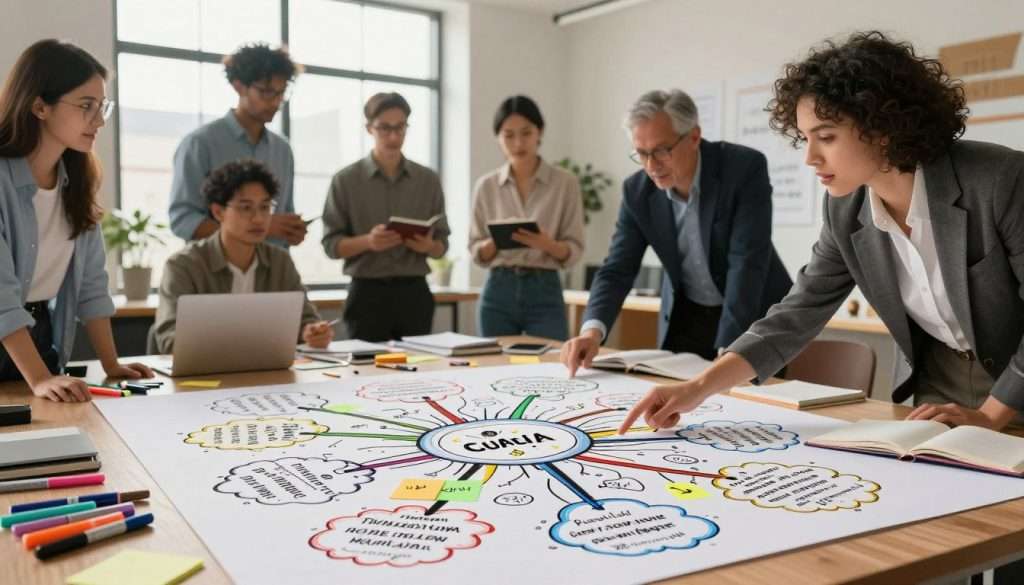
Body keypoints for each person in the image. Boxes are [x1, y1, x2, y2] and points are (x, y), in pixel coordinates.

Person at [620, 31, 1024, 436]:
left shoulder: (1000, 180)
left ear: (883, 127)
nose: (810, 158)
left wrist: (992, 415)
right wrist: (698, 388)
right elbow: (798, 311)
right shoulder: (844, 210)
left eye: (826, 137)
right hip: (939, 388)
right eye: (805, 138)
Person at [561, 89, 792, 370]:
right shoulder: (637, 191)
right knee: (673, 391)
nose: (651, 166)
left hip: (752, 313)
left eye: (661, 151)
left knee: (744, 394)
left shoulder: (742, 168)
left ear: (694, 137)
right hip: (688, 316)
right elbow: (617, 269)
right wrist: (591, 332)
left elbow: (746, 262)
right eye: (641, 153)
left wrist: (731, 351)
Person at [0, 39, 153, 402]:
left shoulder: (78, 181)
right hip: (16, 343)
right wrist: (40, 379)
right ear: (40, 106)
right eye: (86, 106)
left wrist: (112, 364)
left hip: (36, 341)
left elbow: (91, 286)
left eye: (102, 107)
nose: (99, 121)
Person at [154, 160, 331, 353]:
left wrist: (313, 333)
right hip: (204, 370)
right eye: (246, 208)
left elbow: (306, 320)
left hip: (268, 369)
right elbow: (169, 338)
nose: (258, 219)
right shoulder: (183, 265)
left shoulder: (280, 261)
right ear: (218, 212)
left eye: (265, 207)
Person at [321, 92, 449, 341]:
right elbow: (330, 246)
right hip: (366, 294)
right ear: (369, 128)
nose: (393, 136)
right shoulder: (346, 180)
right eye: (385, 128)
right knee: (365, 363)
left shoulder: (428, 180)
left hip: (414, 293)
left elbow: (442, 245)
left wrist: (429, 246)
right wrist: (368, 242)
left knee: (419, 364)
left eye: (400, 127)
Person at [168, 43, 306, 248]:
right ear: (239, 86)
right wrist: (264, 227)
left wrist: (292, 231)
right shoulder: (200, 144)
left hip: (273, 265)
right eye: (267, 92)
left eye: (281, 93)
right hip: (216, 266)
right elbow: (183, 221)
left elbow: (283, 215)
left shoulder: (282, 150)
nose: (276, 102)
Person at [469, 96, 584, 340]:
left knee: (553, 360)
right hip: (498, 288)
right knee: (492, 360)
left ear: (539, 132)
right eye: (508, 135)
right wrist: (496, 241)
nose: (518, 143)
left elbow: (574, 249)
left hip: (545, 288)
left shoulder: (565, 183)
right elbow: (476, 251)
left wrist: (547, 244)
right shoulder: (486, 186)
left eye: (526, 133)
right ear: (498, 138)